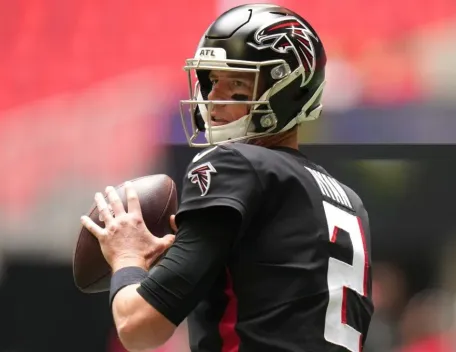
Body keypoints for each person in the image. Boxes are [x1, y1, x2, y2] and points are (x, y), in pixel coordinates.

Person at [81, 4, 374, 352]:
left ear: (288, 90)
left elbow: (138, 326)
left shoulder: (234, 164)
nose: (213, 99)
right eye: (212, 81)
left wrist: (127, 257)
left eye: (236, 83)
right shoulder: (349, 201)